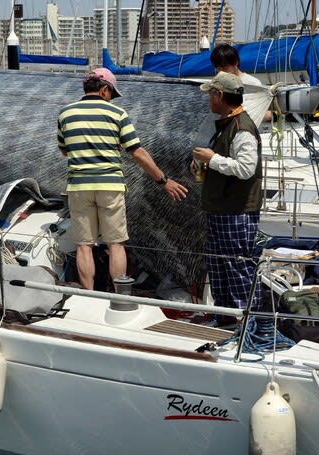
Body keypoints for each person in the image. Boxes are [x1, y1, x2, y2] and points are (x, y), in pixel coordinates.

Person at [57, 67, 188, 290]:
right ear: (104, 90)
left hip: (79, 186)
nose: (111, 98)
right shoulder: (117, 114)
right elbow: (138, 152)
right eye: (112, 94)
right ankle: (119, 296)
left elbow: (65, 151)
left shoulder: (65, 113)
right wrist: (164, 180)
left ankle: (88, 297)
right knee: (115, 244)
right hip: (110, 185)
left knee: (84, 246)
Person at [191, 72, 262, 327]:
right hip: (221, 208)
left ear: (219, 95)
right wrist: (205, 164)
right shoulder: (226, 124)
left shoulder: (242, 128)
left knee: (237, 266)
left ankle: (247, 323)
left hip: (236, 210)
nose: (208, 99)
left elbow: (246, 168)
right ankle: (224, 317)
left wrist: (212, 159)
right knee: (219, 265)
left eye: (210, 94)